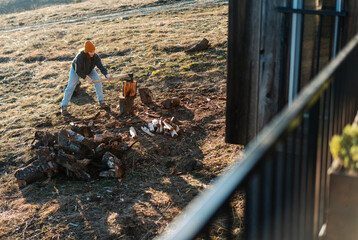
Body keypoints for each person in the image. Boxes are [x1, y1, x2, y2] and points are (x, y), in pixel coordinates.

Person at [61, 40, 111, 115]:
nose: (93, 53)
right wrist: (87, 79)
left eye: (94, 51)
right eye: (91, 52)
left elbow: (101, 66)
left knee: (98, 81)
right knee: (71, 86)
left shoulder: (95, 57)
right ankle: (64, 107)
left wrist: (106, 75)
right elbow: (78, 71)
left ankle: (102, 102)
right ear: (86, 51)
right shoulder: (80, 57)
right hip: (76, 70)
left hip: (89, 69)